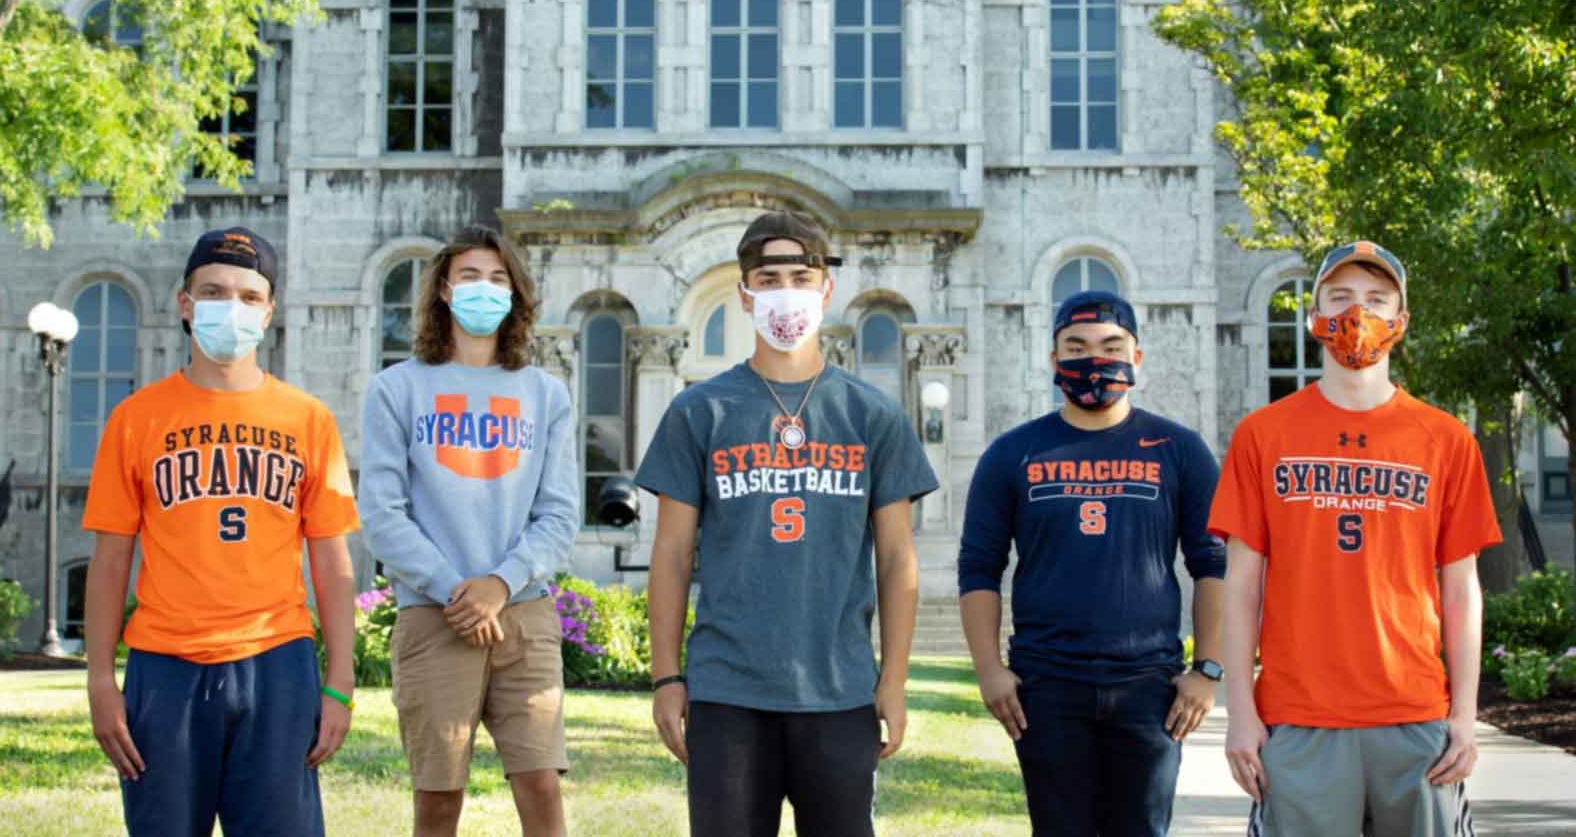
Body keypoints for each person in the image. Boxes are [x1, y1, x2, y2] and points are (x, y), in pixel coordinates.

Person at [639, 209, 939, 837]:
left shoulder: (872, 415)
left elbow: (896, 558)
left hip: (840, 691)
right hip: (728, 692)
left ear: (826, 290)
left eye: (801, 277)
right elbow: (669, 553)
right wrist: (667, 678)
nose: (786, 293)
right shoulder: (700, 411)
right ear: (744, 292)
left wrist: (895, 679)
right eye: (769, 278)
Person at [1208, 240, 1502, 836]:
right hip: (1299, 717)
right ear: (1314, 315)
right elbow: (1240, 586)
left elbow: (1462, 590)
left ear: (1401, 320)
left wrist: (1466, 716)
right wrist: (1240, 712)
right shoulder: (1263, 434)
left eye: (1375, 299)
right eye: (1339, 297)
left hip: (1416, 715)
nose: (1356, 313)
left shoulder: (1445, 440)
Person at [82, 226, 359, 837]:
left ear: (268, 313)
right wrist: (101, 677)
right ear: (185, 303)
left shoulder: (308, 419)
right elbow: (109, 559)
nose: (230, 306)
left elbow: (332, 562)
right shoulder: (136, 418)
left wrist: (340, 678)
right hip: (166, 665)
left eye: (247, 295)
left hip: (277, 660)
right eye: (213, 291)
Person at [958, 289, 1227, 836]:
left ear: (1137, 357)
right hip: (1046, 686)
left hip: (1150, 689)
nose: (1093, 359)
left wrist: (1208, 670)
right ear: (1054, 359)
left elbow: (1214, 563)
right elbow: (979, 566)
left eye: (1111, 345)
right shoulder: (1013, 454)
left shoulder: (1178, 449)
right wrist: (989, 670)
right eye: (1075, 347)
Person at [358, 224, 579, 837]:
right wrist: (458, 590)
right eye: (470, 277)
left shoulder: (545, 394)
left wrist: (500, 585)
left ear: (516, 294)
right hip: (435, 617)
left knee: (541, 786)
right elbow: (381, 513)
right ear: (445, 293)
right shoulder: (395, 390)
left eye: (498, 277)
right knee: (438, 797)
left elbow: (560, 514)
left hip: (523, 613)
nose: (484, 289)